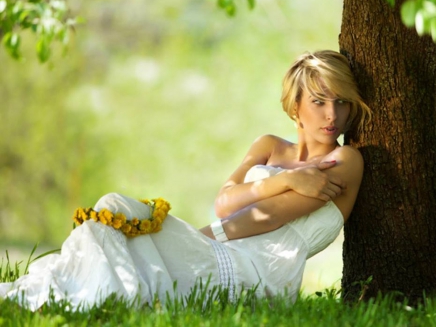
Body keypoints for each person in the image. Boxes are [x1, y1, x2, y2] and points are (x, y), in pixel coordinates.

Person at [0, 50, 371, 311]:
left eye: (341, 102)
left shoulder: (345, 160)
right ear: (296, 107)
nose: (332, 115)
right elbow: (224, 203)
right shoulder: (270, 146)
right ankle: (76, 288)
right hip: (216, 247)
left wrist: (196, 237)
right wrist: (288, 181)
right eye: (320, 101)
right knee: (115, 210)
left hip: (256, 275)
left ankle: (92, 293)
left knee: (120, 214)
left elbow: (270, 217)